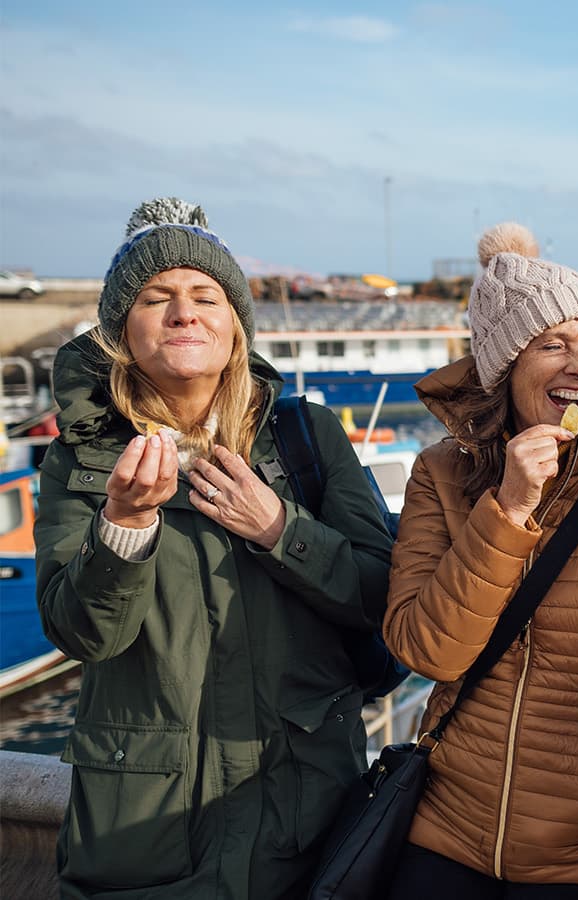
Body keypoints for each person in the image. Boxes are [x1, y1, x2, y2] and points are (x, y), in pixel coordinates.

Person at [34, 197, 393, 897]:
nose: (184, 312)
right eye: (155, 298)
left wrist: (282, 532)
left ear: (235, 326)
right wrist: (123, 531)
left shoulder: (306, 438)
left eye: (207, 295)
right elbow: (80, 634)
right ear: (120, 329)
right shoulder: (78, 458)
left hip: (304, 815)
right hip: (145, 830)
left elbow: (381, 597)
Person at [382, 223, 578, 896]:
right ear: (503, 365)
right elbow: (424, 650)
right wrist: (508, 511)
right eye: (552, 344)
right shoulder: (440, 474)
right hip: (442, 832)